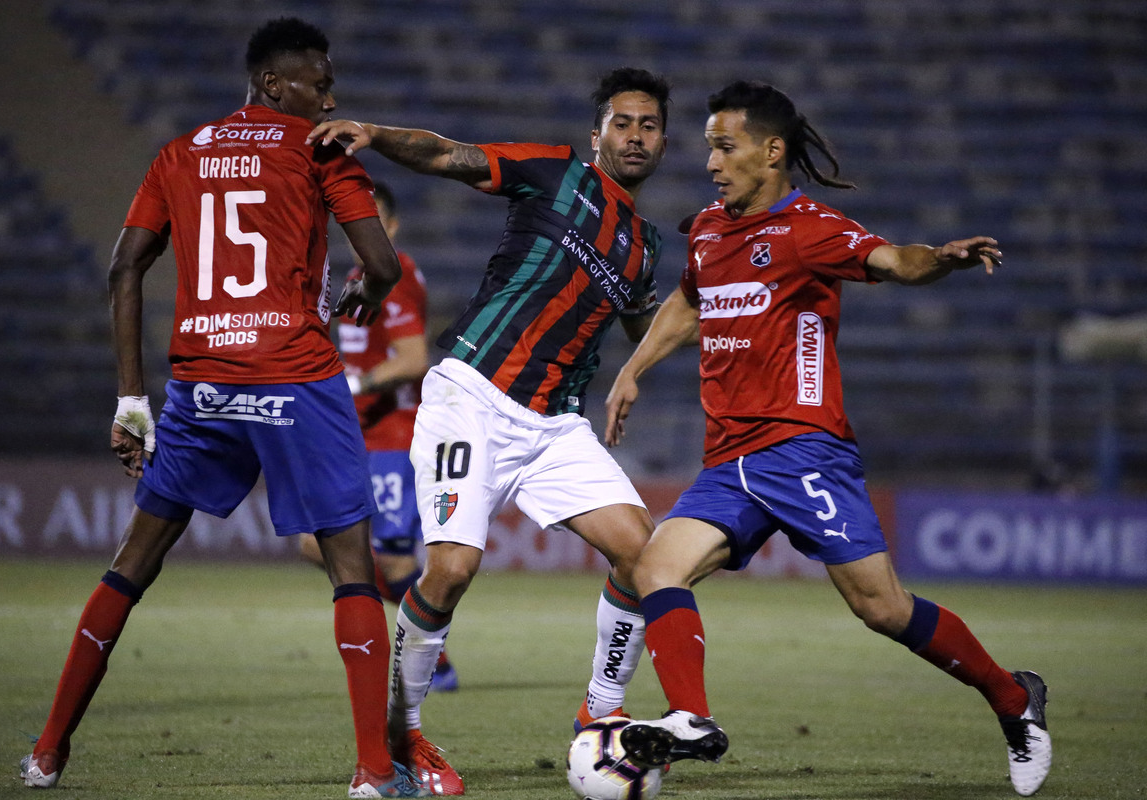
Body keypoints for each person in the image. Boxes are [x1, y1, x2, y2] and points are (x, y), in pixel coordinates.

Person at [603, 80, 1052, 798]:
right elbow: (690, 301)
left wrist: (942, 257)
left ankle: (1012, 697)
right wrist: (632, 369)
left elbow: (896, 262)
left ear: (771, 151)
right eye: (709, 148)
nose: (712, 162)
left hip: (804, 449)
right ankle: (691, 716)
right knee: (656, 568)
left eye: (726, 146)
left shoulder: (811, 228)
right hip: (729, 462)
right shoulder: (712, 231)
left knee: (882, 609)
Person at [19, 18, 429, 798]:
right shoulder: (319, 149)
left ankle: (46, 752)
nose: (330, 96)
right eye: (319, 81)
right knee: (350, 569)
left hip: (202, 386)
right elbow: (378, 262)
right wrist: (364, 296)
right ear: (275, 84)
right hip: (297, 375)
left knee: (133, 562)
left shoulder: (177, 153)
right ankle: (374, 773)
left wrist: (132, 396)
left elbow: (124, 269)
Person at [306, 67, 672, 795]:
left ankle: (600, 715)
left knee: (645, 553)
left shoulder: (646, 247)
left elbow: (639, 318)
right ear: (596, 132)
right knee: (449, 571)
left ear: (663, 141)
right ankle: (402, 735)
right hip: (471, 393)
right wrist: (376, 137)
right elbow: (452, 154)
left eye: (650, 126)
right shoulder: (553, 173)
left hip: (553, 422)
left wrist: (658, 340)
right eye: (622, 123)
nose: (635, 136)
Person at [299, 182, 459, 692]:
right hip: (361, 437)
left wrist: (354, 384)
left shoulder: (399, 275)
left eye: (371, 221)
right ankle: (425, 650)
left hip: (393, 437)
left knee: (391, 558)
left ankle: (433, 659)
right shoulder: (356, 276)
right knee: (313, 542)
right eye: (352, 223)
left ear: (390, 227)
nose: (360, 232)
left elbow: (414, 359)